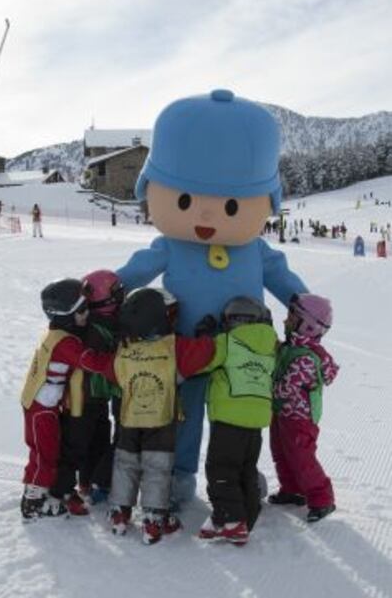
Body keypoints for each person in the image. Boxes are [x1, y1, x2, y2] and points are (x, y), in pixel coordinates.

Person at [115, 90, 308, 508]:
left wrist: (303, 303)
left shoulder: (254, 250)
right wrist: (110, 287)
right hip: (186, 350)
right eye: (184, 200)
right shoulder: (171, 245)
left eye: (232, 206)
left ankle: (240, 475)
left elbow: (281, 276)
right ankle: (179, 477)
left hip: (244, 354)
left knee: (238, 418)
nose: (205, 217)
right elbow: (137, 269)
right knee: (183, 416)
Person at [108, 288, 215, 545]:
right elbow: (204, 353)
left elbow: (110, 372)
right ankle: (155, 519)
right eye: (171, 314)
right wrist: (206, 335)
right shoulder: (175, 348)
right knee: (157, 468)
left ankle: (119, 512)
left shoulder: (123, 348)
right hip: (160, 422)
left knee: (125, 464)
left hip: (128, 419)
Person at [20, 278, 118, 520]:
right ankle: (33, 502)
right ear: (65, 316)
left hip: (44, 405)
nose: (87, 314)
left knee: (48, 450)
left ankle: (42, 491)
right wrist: (122, 358)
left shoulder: (56, 333)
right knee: (46, 454)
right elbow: (92, 362)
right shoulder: (66, 343)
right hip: (41, 408)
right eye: (82, 310)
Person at [197, 297, 278, 546]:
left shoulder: (227, 342)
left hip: (229, 418)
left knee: (221, 469)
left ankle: (232, 520)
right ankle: (241, 518)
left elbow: (203, 362)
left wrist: (204, 339)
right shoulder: (271, 346)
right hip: (256, 420)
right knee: (245, 469)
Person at [49, 270, 125, 514]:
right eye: (116, 292)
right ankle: (61, 490)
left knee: (100, 438)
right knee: (77, 443)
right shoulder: (91, 328)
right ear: (104, 299)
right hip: (82, 398)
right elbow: (93, 361)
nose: (121, 296)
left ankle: (89, 481)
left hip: (99, 396)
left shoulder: (108, 323)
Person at [269, 294, 339, 522]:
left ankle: (322, 499)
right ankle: (292, 490)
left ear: (308, 325)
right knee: (281, 453)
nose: (286, 320)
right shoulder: (291, 347)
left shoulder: (306, 359)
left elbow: (286, 387)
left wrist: (262, 390)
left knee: (302, 458)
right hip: (282, 414)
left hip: (300, 420)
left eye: (292, 317)